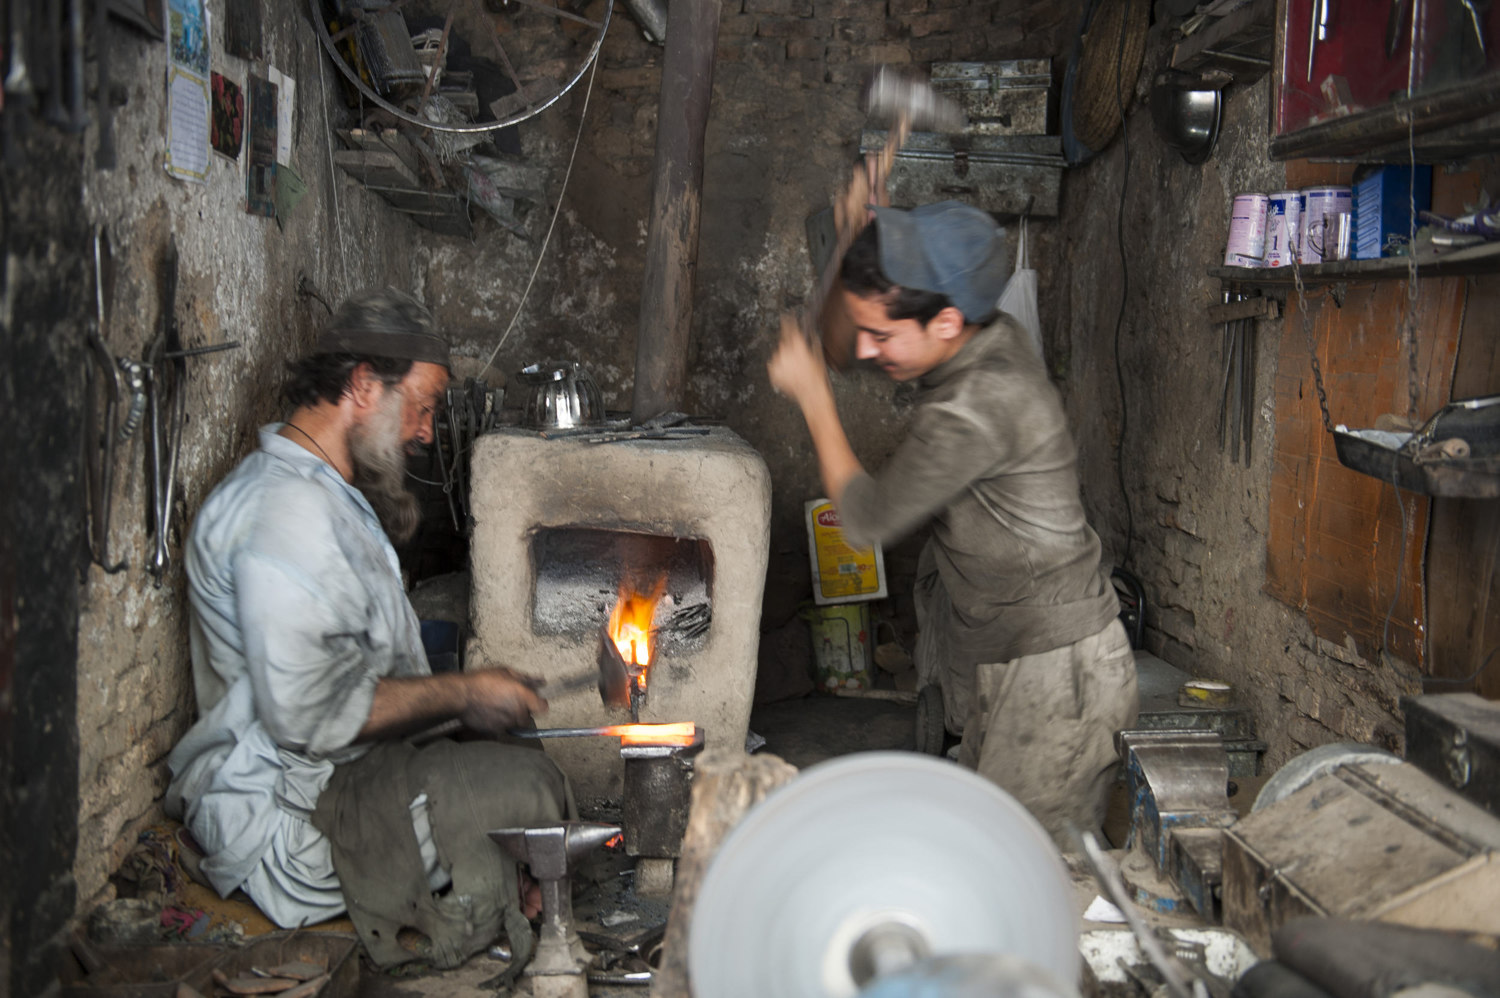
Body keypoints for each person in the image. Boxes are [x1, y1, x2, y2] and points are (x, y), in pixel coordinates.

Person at [165, 288, 568, 971]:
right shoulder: (282, 512)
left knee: (529, 780)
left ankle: (488, 880)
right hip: (294, 816)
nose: (425, 431)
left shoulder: (324, 496)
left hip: (348, 777)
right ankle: (471, 897)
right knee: (524, 795)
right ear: (361, 386)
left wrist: (461, 711)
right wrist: (461, 694)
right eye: (422, 405)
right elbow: (314, 717)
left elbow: (368, 681)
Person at [767, 200, 1137, 844]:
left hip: (1056, 677)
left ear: (945, 322)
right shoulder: (987, 335)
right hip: (1018, 662)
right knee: (975, 849)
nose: (864, 348)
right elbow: (853, 340)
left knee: (1027, 876)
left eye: (880, 335)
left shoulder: (976, 405)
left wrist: (814, 399)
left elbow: (867, 520)